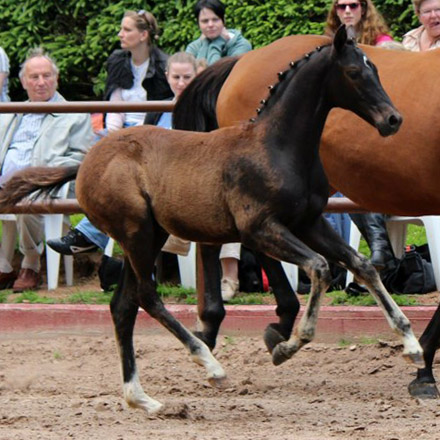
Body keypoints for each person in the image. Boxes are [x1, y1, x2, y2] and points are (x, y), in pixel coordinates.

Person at [48, 9, 173, 255]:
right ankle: (91, 234)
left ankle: (87, 234)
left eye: (126, 29)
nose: (120, 34)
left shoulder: (163, 64)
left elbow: (159, 113)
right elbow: (114, 103)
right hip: (122, 132)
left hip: (151, 134)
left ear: (143, 35)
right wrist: (113, 137)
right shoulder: (117, 60)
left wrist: (131, 138)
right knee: (97, 164)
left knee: (119, 178)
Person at [0, 48, 93, 292]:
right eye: (34, 77)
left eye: (46, 76)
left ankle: (30, 265)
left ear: (56, 78)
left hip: (43, 185)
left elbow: (80, 160)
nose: (41, 82)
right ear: (23, 82)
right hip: (4, 182)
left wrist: (39, 176)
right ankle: (4, 266)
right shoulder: (9, 113)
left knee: (26, 198)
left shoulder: (74, 115)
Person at [323, 0, 396, 273]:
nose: (347, 11)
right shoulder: (331, 45)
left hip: (377, 128)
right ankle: (376, 249)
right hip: (345, 129)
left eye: (353, 5)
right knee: (342, 168)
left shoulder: (383, 44)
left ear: (364, 9)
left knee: (354, 167)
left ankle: (378, 248)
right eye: (341, 6)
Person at [186, 0, 252, 65]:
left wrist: (218, 42)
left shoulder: (241, 46)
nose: (210, 25)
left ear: (224, 20)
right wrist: (205, 43)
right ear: (198, 24)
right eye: (205, 21)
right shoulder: (193, 47)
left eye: (215, 19)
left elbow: (214, 74)